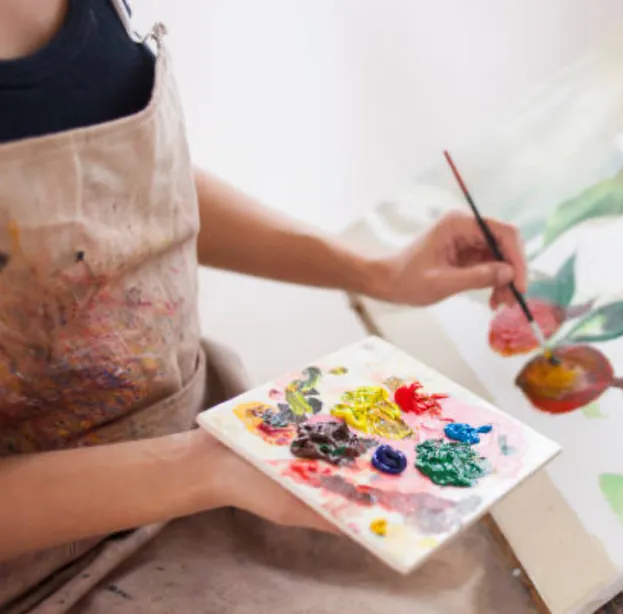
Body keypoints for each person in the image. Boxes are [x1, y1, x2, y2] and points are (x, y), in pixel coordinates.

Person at [0, 1, 533, 612]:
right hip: (50, 565)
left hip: (202, 439)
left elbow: (115, 190)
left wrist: (372, 270)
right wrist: (206, 467)